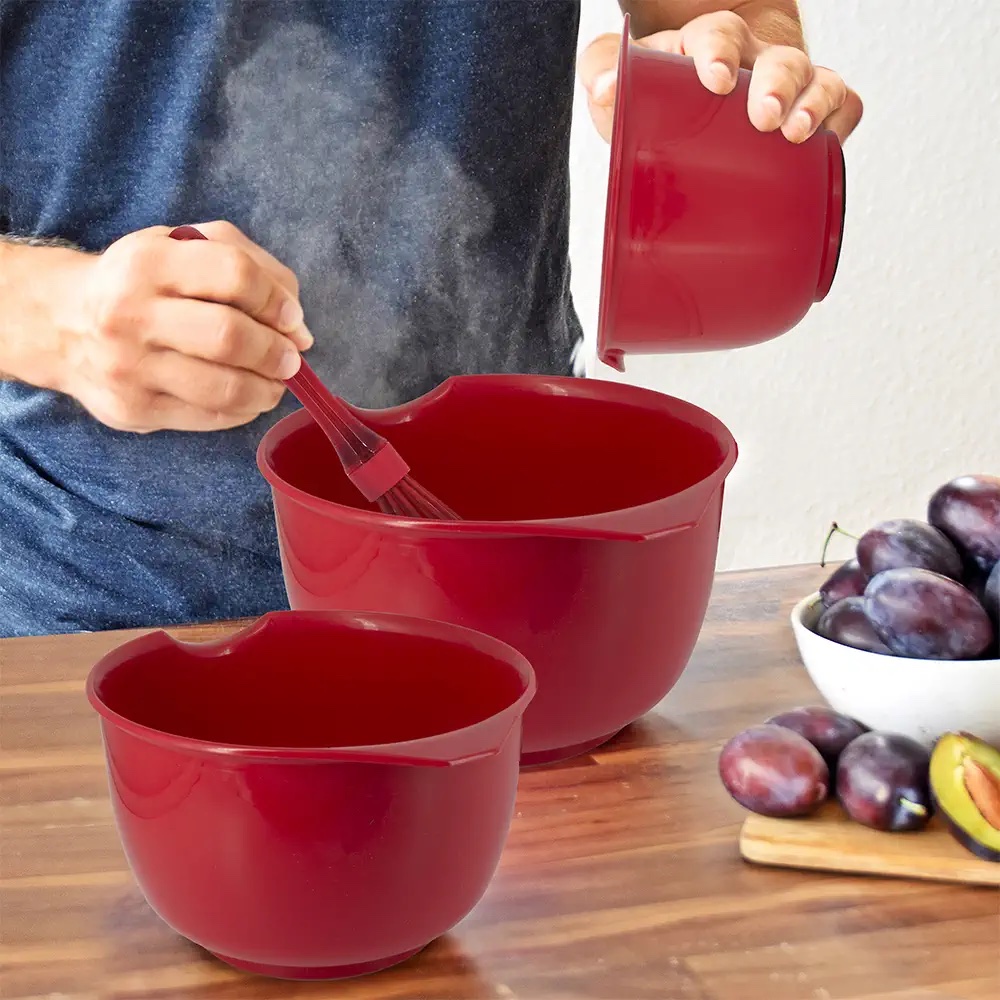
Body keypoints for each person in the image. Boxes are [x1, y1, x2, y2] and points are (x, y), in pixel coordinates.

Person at [0, 1, 862, 638]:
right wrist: (60, 315)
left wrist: (730, 71)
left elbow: (729, 18)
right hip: (90, 609)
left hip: (520, 589)